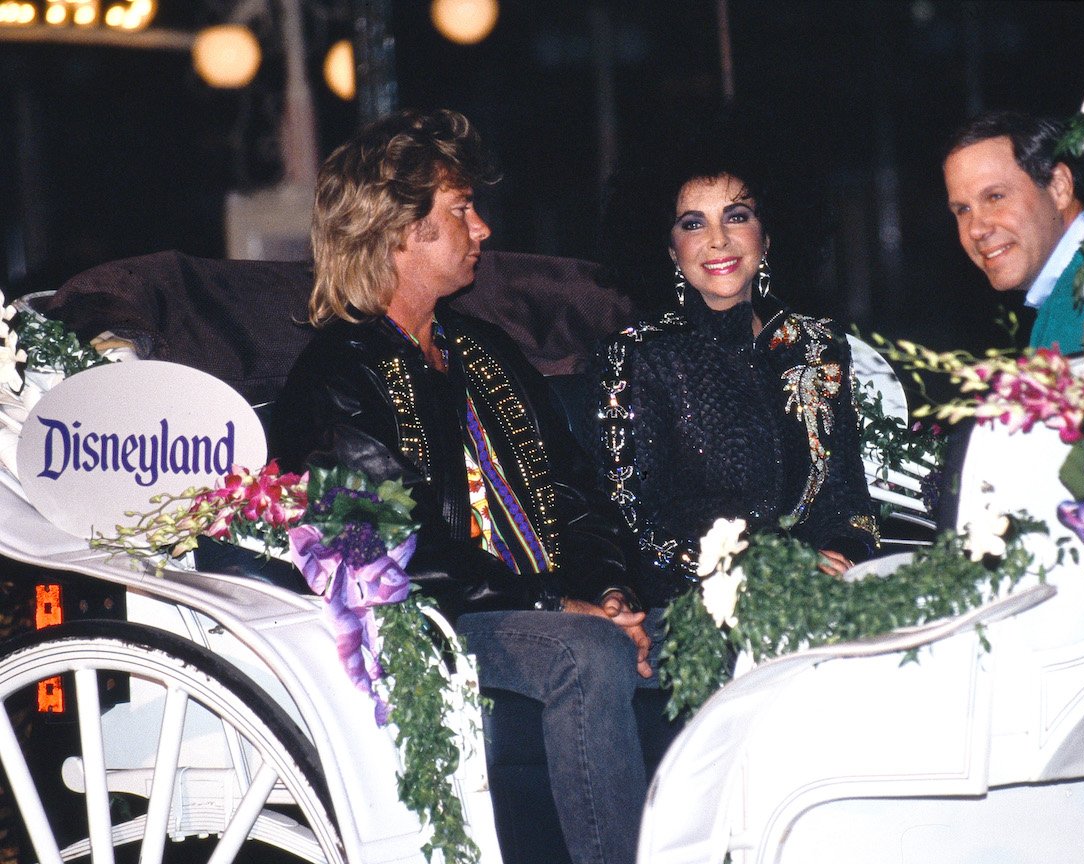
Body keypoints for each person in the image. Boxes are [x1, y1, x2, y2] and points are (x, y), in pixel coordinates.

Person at [269, 108, 654, 864]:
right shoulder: (337, 377)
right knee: (587, 652)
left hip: (545, 604)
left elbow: (575, 491)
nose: (481, 228)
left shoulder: (481, 348)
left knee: (703, 634)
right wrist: (556, 605)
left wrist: (609, 590)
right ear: (396, 231)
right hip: (443, 625)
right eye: (461, 211)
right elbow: (389, 551)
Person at [592, 136, 880, 607]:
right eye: (693, 223)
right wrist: (765, 575)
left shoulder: (817, 346)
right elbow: (638, 522)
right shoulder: (639, 357)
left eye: (737, 216)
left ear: (766, 236)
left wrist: (838, 554)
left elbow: (847, 499)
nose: (718, 240)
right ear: (670, 250)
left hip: (820, 596)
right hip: (698, 608)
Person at [943, 110, 1084, 354]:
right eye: (963, 209)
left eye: (995, 197)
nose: (976, 229)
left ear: (1058, 187)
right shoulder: (1074, 287)